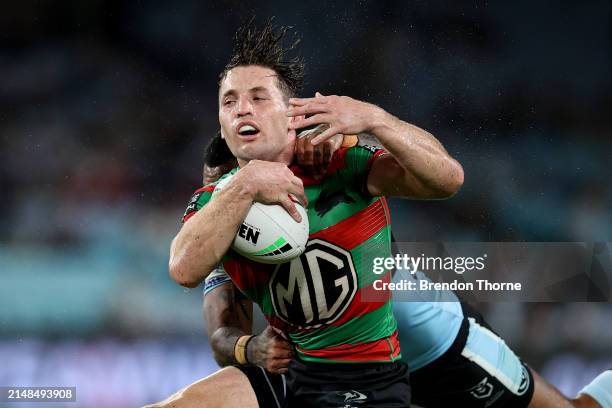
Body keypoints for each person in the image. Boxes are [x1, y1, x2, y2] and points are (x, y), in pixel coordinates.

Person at [167, 134, 610, 408]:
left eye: (231, 185)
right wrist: (251, 350)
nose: (219, 199)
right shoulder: (218, 237)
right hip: (324, 366)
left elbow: (434, 178)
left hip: (423, 336)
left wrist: (343, 140)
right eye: (214, 191)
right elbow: (222, 336)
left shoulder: (317, 169)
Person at [164, 18, 463, 408]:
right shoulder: (216, 203)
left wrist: (376, 119)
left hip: (371, 376)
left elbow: (448, 179)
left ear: (292, 115)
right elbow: (183, 270)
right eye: (229, 101)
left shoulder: (340, 162)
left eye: (258, 97)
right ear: (221, 128)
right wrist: (247, 183)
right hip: (288, 377)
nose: (242, 110)